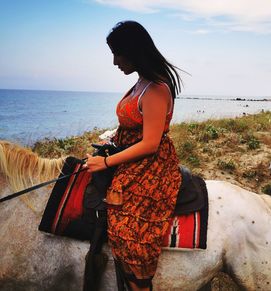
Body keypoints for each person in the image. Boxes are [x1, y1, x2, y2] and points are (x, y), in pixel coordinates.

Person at [85, 20, 182, 291]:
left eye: (118, 53)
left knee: (128, 224)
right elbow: (133, 125)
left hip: (150, 166)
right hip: (130, 154)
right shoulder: (140, 82)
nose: (115, 61)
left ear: (134, 51)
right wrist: (110, 142)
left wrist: (105, 162)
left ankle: (140, 284)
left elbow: (150, 143)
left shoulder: (156, 88)